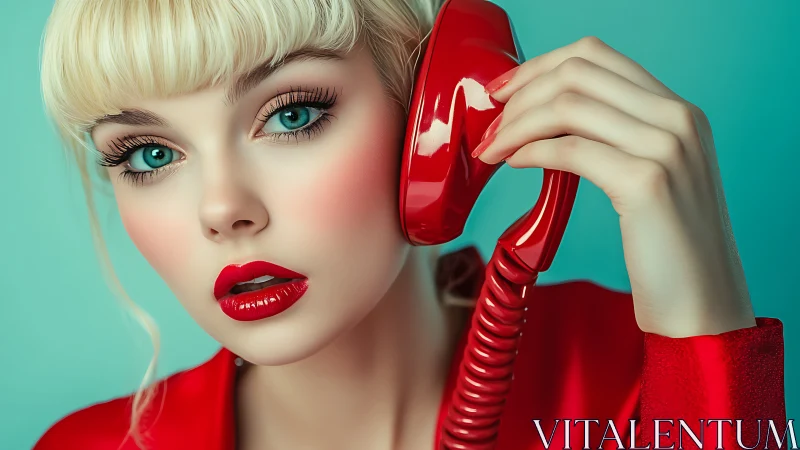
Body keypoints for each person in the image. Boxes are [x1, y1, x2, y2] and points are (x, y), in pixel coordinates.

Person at [34, 0, 786, 449]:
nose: (221, 209)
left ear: (433, 104)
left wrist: (705, 332)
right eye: (151, 153)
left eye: (292, 113)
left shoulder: (632, 374)